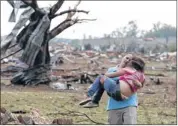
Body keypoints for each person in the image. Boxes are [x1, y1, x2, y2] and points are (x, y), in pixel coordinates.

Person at [79, 54, 145, 108]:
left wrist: (100, 79)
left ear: (131, 63)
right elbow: (140, 85)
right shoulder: (140, 74)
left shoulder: (126, 70)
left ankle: (89, 96)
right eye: (127, 58)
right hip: (119, 96)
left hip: (119, 94)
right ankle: (94, 101)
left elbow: (108, 76)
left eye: (130, 60)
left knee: (101, 77)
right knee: (102, 82)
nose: (127, 60)